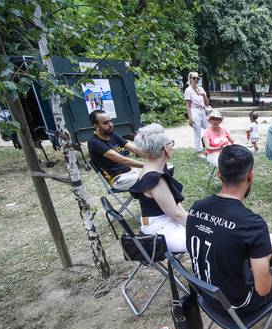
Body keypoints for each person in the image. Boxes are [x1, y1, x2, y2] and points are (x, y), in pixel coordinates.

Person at [186, 145, 272, 315]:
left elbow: (223, 246)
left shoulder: (196, 208)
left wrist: (263, 254)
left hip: (207, 297)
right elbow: (263, 289)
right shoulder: (252, 224)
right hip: (237, 306)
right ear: (250, 175)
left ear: (219, 175)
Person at [128, 124, 187, 253]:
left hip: (158, 223)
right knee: (211, 239)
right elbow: (176, 215)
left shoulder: (152, 167)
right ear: (165, 148)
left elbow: (177, 206)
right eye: (170, 143)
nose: (172, 146)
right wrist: (201, 226)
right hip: (160, 232)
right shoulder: (155, 179)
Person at [87, 109, 144, 190]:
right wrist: (147, 165)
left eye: (110, 121)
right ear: (96, 126)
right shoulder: (94, 143)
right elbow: (123, 160)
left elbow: (134, 149)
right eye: (105, 123)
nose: (111, 125)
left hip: (130, 172)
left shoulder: (112, 134)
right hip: (117, 179)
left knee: (167, 169)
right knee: (155, 177)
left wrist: (154, 157)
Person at [184, 71, 210, 158]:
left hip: (203, 111)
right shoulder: (188, 90)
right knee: (197, 132)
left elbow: (207, 103)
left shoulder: (201, 89)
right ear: (190, 79)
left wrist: (203, 95)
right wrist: (190, 118)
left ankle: (208, 148)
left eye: (197, 78)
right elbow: (187, 105)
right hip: (194, 111)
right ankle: (199, 151)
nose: (196, 80)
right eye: (194, 78)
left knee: (208, 130)